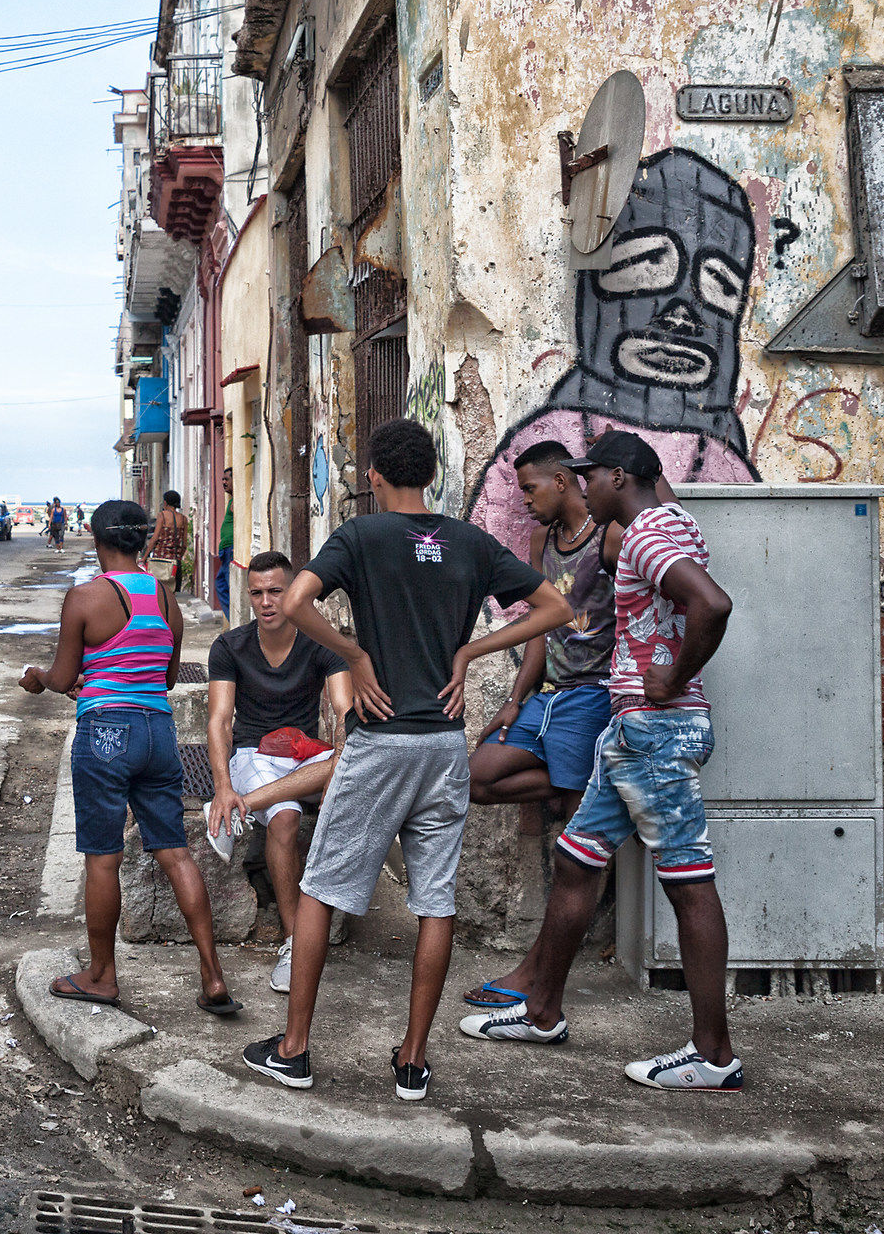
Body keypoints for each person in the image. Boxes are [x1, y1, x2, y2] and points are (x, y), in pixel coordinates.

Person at [239, 418, 571, 1105]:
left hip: (381, 741)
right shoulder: (472, 543)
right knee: (435, 901)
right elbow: (555, 605)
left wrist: (356, 656)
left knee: (321, 890)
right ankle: (414, 1062)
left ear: (375, 477)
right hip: (445, 746)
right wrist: (470, 653)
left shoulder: (359, 537)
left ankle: (294, 1050)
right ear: (432, 475)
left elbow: (297, 602)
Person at [459, 431, 741, 1092]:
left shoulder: (641, 535)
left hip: (655, 730)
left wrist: (671, 677)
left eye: (594, 477)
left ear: (620, 476)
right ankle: (542, 1013)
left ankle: (714, 1053)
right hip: (631, 733)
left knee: (688, 879)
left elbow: (713, 604)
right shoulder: (675, 521)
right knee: (577, 858)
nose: (585, 487)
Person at [20, 499, 236, 1020]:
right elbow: (162, 677)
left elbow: (61, 672)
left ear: (97, 543)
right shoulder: (166, 598)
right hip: (157, 732)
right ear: (142, 541)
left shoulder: (85, 597)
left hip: (106, 734)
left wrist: (38, 680)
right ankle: (212, 976)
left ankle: (101, 975)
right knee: (175, 850)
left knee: (103, 857)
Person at [462, 441, 622, 1010]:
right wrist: (514, 697)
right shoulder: (540, 542)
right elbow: (539, 623)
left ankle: (575, 790)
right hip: (549, 696)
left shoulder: (610, 537)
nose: (524, 500)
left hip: (594, 695)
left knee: (576, 840)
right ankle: (567, 784)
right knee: (476, 777)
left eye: (530, 488)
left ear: (562, 479)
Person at [204, 551, 352, 995]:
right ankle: (293, 943)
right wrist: (222, 784)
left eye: (276, 591)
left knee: (351, 758)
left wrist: (338, 768)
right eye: (257, 593)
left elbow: (344, 714)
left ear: (294, 593)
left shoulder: (321, 644)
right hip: (253, 753)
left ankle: (244, 807)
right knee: (285, 817)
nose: (266, 602)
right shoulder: (230, 646)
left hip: (303, 755)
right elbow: (219, 721)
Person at [145, 489, 190, 588]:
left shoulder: (162, 516)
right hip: (175, 562)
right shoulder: (183, 519)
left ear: (165, 502)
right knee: (172, 590)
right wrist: (178, 557)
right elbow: (184, 544)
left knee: (159, 589)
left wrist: (145, 557)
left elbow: (155, 538)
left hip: (161, 561)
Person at [213, 474, 235, 617]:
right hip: (226, 549)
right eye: (223, 479)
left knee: (225, 584)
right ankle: (231, 618)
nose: (223, 482)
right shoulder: (231, 500)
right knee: (221, 583)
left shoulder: (236, 500)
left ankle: (233, 619)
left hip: (230, 548)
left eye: (227, 479)